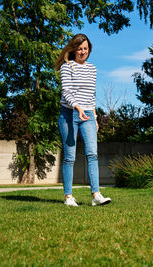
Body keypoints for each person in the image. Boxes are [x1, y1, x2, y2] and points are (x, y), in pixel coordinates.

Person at [54, 33, 111, 207]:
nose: (82, 52)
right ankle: (68, 197)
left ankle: (96, 195)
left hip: (87, 115)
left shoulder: (92, 69)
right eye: (79, 49)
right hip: (69, 114)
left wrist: (94, 117)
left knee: (92, 154)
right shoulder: (67, 67)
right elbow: (67, 92)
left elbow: (91, 96)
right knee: (69, 157)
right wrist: (78, 108)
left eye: (85, 49)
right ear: (73, 49)